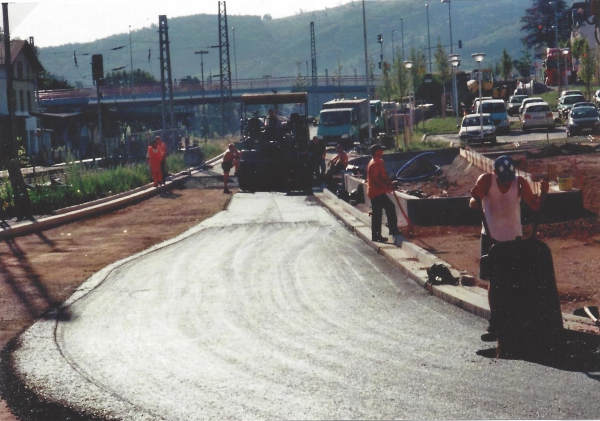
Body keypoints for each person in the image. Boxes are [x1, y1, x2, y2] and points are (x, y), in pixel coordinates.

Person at [469, 154, 549, 341]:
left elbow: (535, 206)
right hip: (491, 237)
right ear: (495, 172)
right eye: (503, 181)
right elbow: (474, 203)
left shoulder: (519, 182)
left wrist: (544, 193)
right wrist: (474, 198)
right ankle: (495, 322)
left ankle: (516, 320)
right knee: (495, 282)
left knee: (516, 280)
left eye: (508, 180)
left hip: (514, 237)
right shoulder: (486, 180)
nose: (506, 184)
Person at [366, 144, 400, 242]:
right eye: (381, 150)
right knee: (385, 210)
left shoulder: (380, 162)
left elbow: (382, 176)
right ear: (376, 152)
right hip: (375, 192)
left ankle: (378, 235)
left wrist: (389, 183)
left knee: (380, 212)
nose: (382, 152)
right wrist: (386, 187)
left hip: (379, 191)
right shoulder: (373, 164)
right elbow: (376, 179)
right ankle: (389, 231)